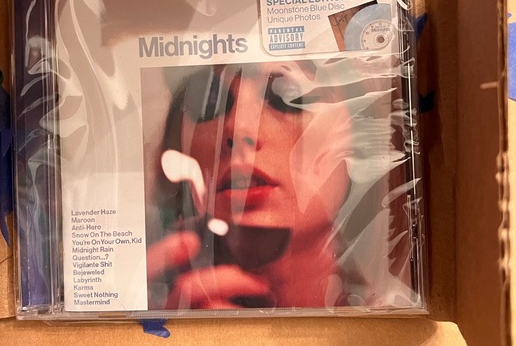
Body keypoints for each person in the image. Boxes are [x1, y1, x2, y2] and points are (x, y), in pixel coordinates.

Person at [145, 58, 405, 311]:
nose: (237, 128)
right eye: (209, 101)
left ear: (361, 137)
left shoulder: (401, 314)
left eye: (287, 95)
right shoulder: (147, 292)